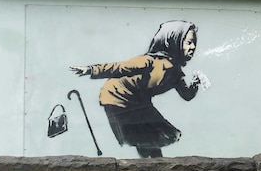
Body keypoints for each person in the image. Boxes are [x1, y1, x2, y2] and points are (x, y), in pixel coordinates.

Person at [70, 20, 201, 158]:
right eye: (188, 42)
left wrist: (195, 83)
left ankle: (157, 168)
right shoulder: (149, 61)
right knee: (142, 138)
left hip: (140, 101)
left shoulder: (175, 71)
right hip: (118, 98)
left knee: (157, 135)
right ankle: (148, 168)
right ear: (173, 41)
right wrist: (90, 70)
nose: (192, 47)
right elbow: (118, 67)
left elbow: (187, 95)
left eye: (194, 43)